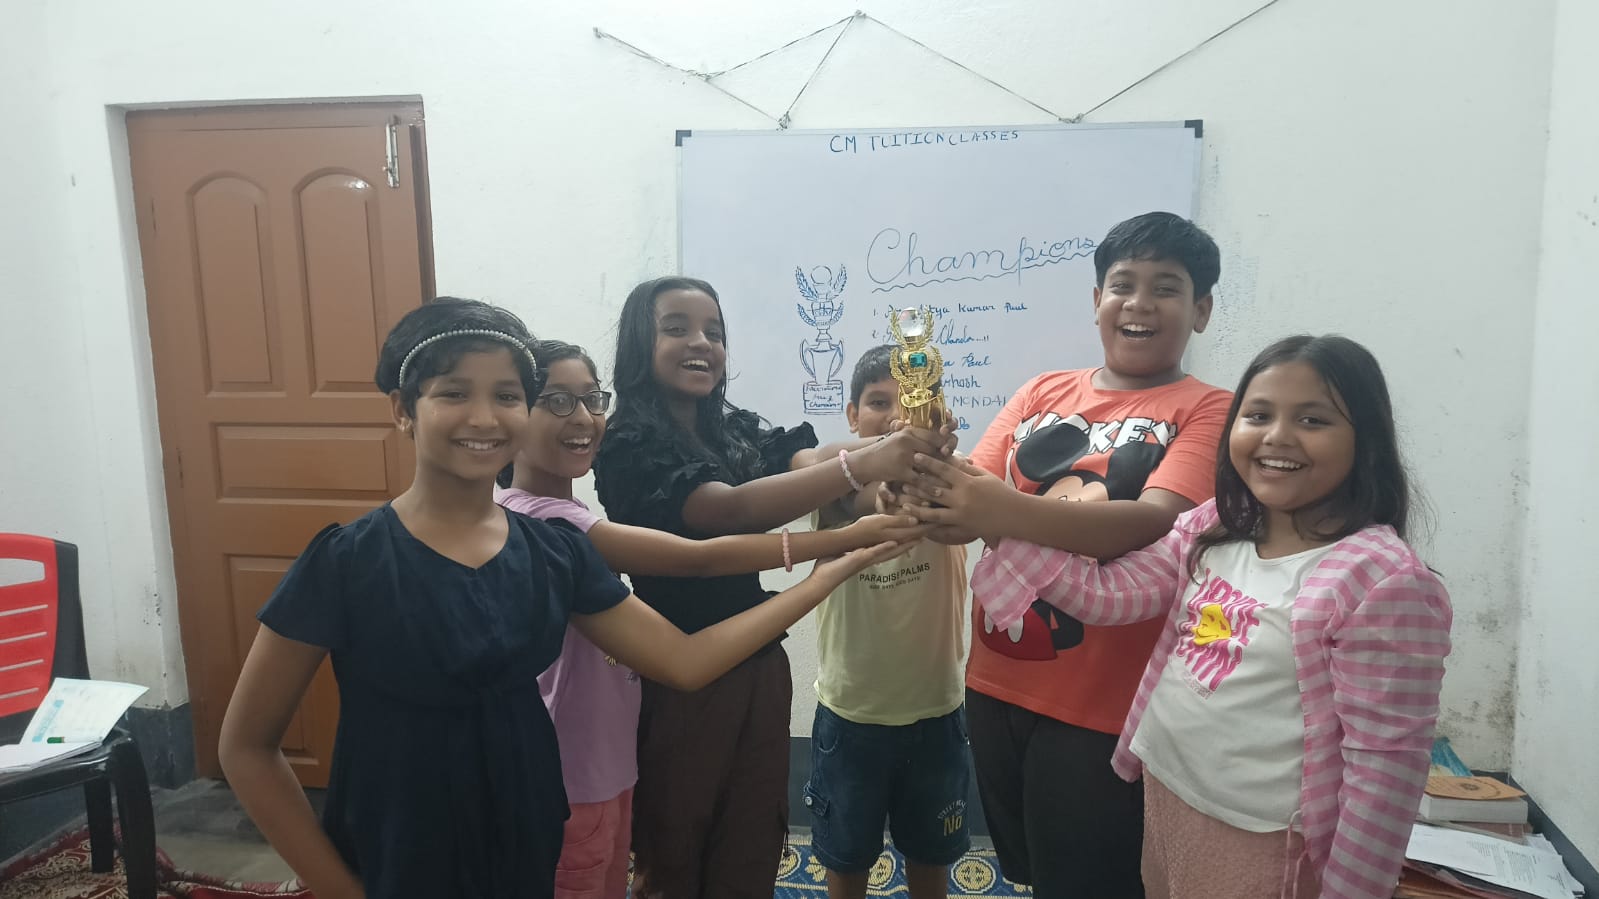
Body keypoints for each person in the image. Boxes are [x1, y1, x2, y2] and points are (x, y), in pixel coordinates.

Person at [218, 298, 910, 899]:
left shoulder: (552, 552)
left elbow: (686, 660)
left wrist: (827, 575)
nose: (484, 416)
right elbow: (246, 746)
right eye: (454, 393)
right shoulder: (347, 561)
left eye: (506, 395)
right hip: (399, 852)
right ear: (403, 409)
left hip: (531, 843)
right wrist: (341, 890)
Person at [938, 334, 1453, 898]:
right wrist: (994, 521)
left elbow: (1383, 774)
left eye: (1313, 420)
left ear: (1366, 440)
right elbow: (1108, 594)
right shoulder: (1216, 524)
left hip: (1265, 838)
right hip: (1167, 801)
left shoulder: (1382, 579)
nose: (1278, 436)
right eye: (1258, 415)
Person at [495, 338, 927, 899]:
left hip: (609, 762)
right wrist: (837, 548)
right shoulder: (561, 523)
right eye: (555, 401)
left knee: (740, 846)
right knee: (671, 860)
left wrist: (877, 465)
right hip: (589, 766)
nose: (580, 417)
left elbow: (801, 466)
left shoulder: (561, 510)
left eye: (590, 399)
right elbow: (700, 559)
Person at [903, 212, 1234, 897]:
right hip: (997, 680)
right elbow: (965, 508)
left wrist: (993, 509)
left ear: (1200, 310)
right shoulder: (1040, 391)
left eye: (1166, 288)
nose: (1139, 303)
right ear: (1096, 300)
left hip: (1105, 705)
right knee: (1031, 872)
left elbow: (1150, 524)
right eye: (1123, 284)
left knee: (1090, 883)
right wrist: (916, 478)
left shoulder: (1210, 409)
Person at [592, 276, 953, 898]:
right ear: (637, 344)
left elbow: (805, 461)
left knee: (753, 839)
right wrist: (865, 463)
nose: (701, 342)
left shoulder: (728, 425)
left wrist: (895, 456)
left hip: (757, 663)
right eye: (677, 328)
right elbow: (723, 512)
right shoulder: (626, 442)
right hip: (677, 675)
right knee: (675, 845)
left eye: (714, 332)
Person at [804, 345, 971, 899]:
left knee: (931, 860)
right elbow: (849, 486)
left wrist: (927, 461)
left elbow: (941, 499)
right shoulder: (828, 488)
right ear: (853, 416)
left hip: (936, 713)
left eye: (915, 404)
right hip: (850, 715)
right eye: (879, 403)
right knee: (845, 861)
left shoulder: (956, 484)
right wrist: (883, 479)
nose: (898, 417)